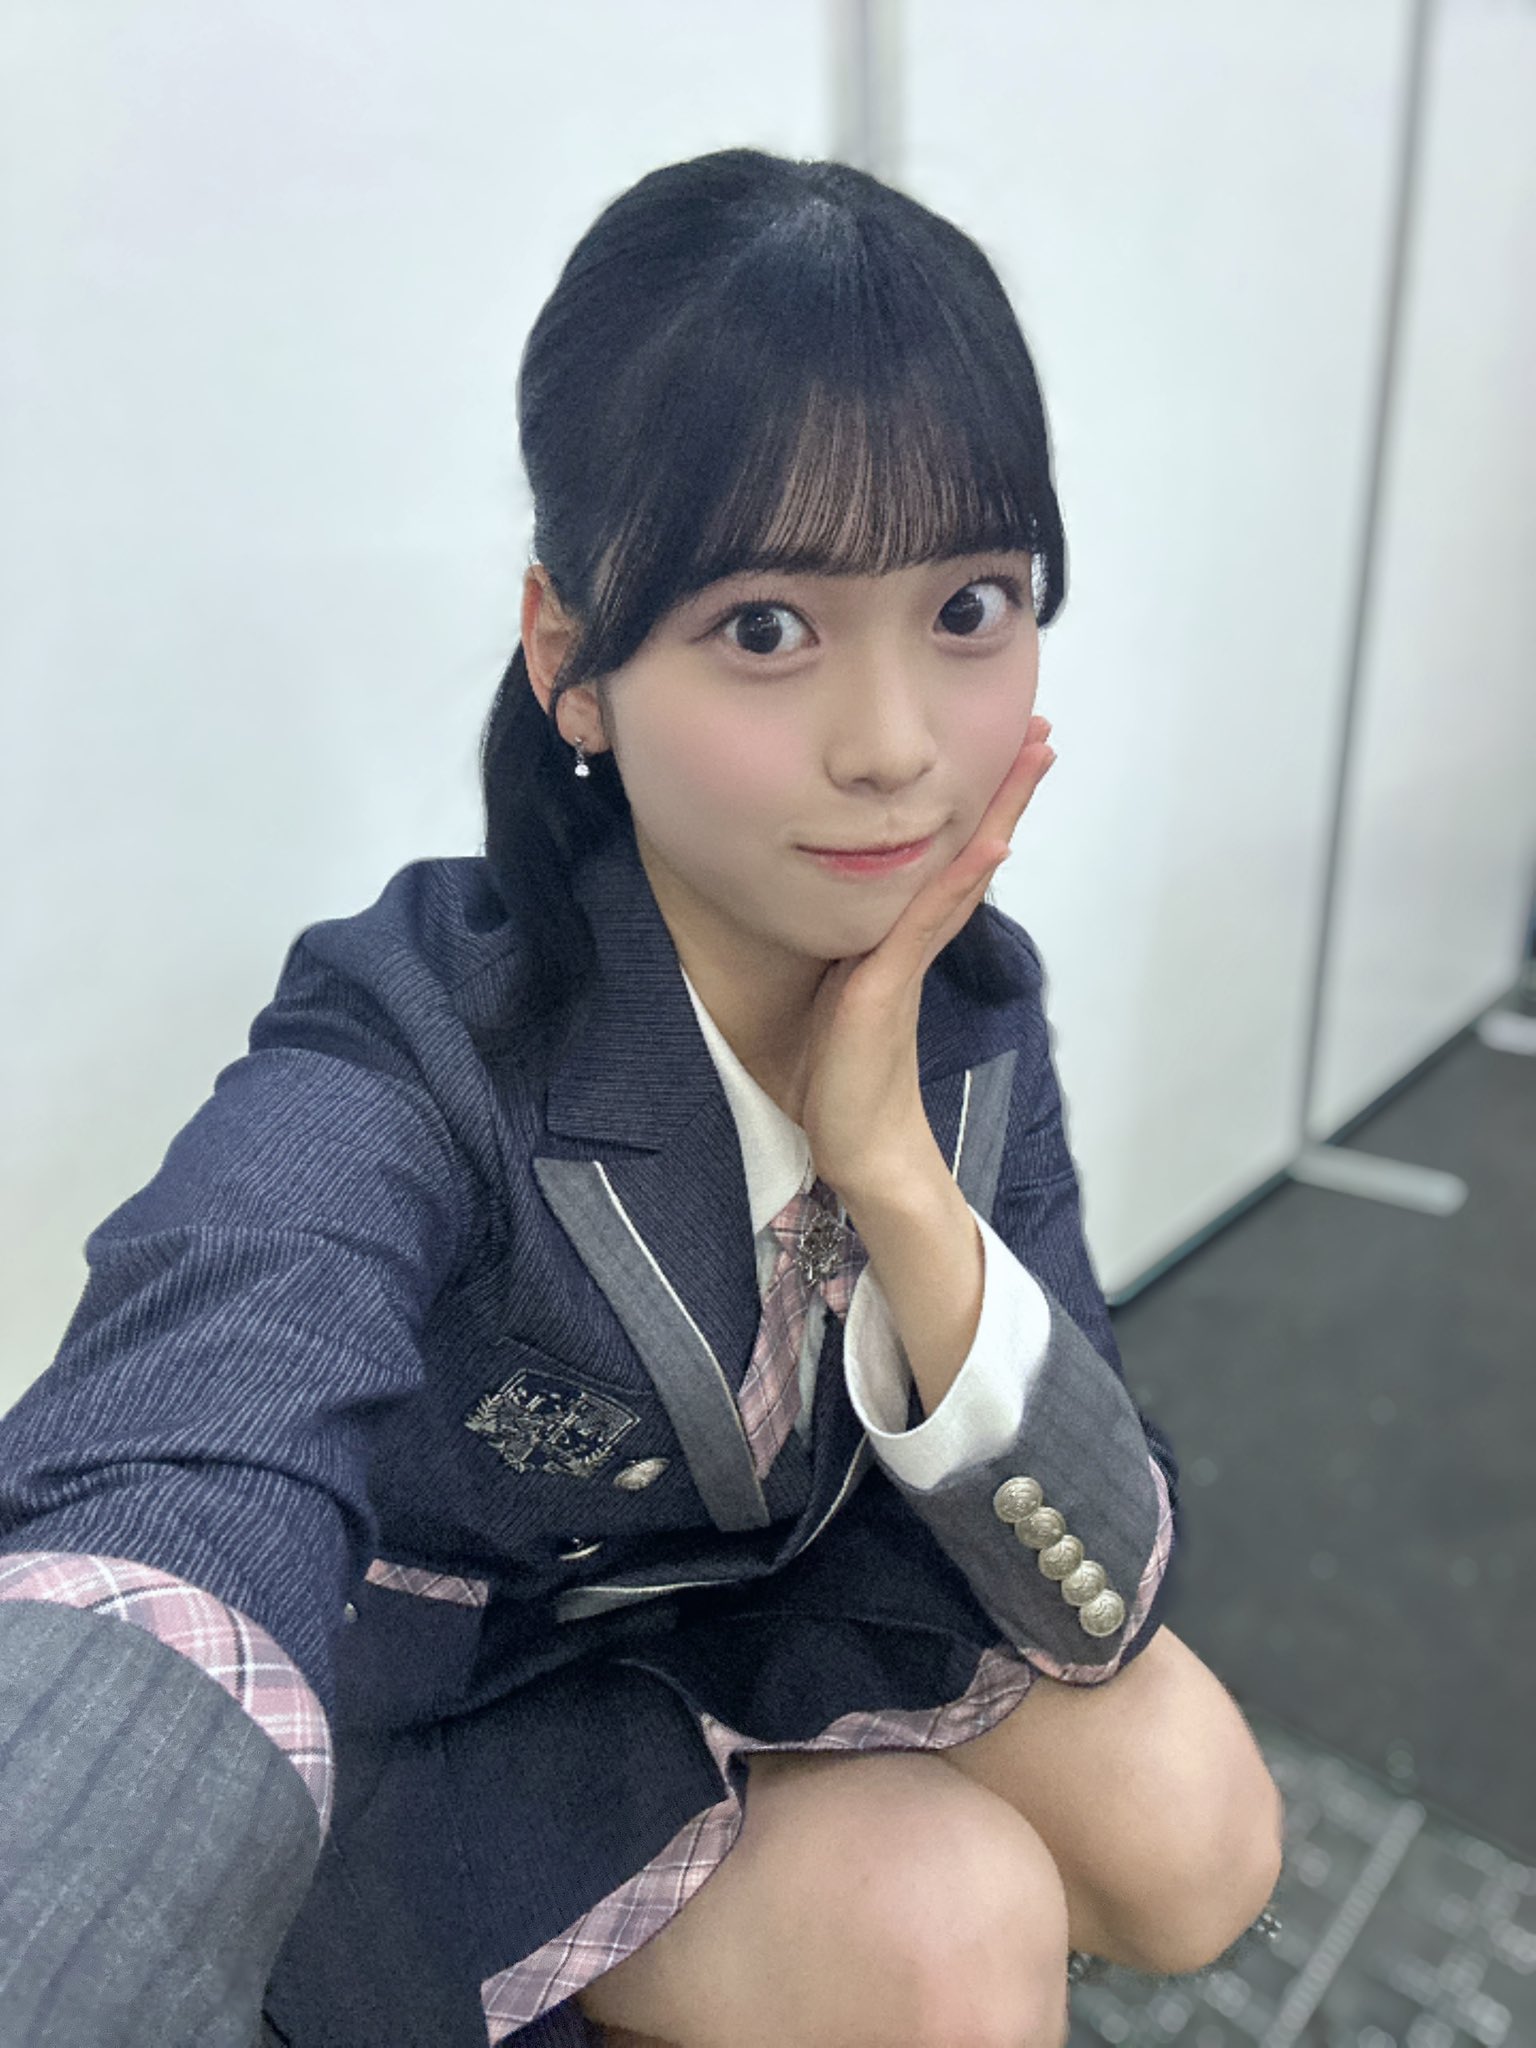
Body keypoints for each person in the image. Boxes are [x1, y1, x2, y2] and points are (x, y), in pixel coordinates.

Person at [0, 147, 1283, 2048]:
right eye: (767, 626)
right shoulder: (419, 1029)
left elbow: (1110, 1577)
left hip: (755, 1638)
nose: (895, 746)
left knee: (1197, 1815)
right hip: (447, 1727)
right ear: (572, 660)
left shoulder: (967, 1009)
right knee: (951, 1933)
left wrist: (897, 1177)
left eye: (970, 604)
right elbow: (185, 1446)